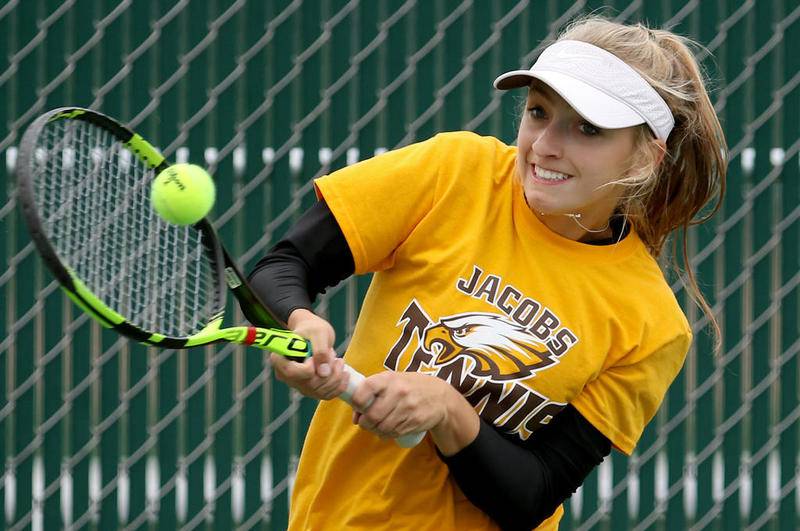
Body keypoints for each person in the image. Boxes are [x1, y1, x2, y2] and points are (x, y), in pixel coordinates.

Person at [247, 15, 726, 531]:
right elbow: (284, 266)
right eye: (539, 112)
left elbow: (532, 496)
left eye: (587, 127)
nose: (546, 144)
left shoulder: (651, 323)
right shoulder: (454, 172)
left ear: (646, 157)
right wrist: (295, 324)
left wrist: (448, 412)